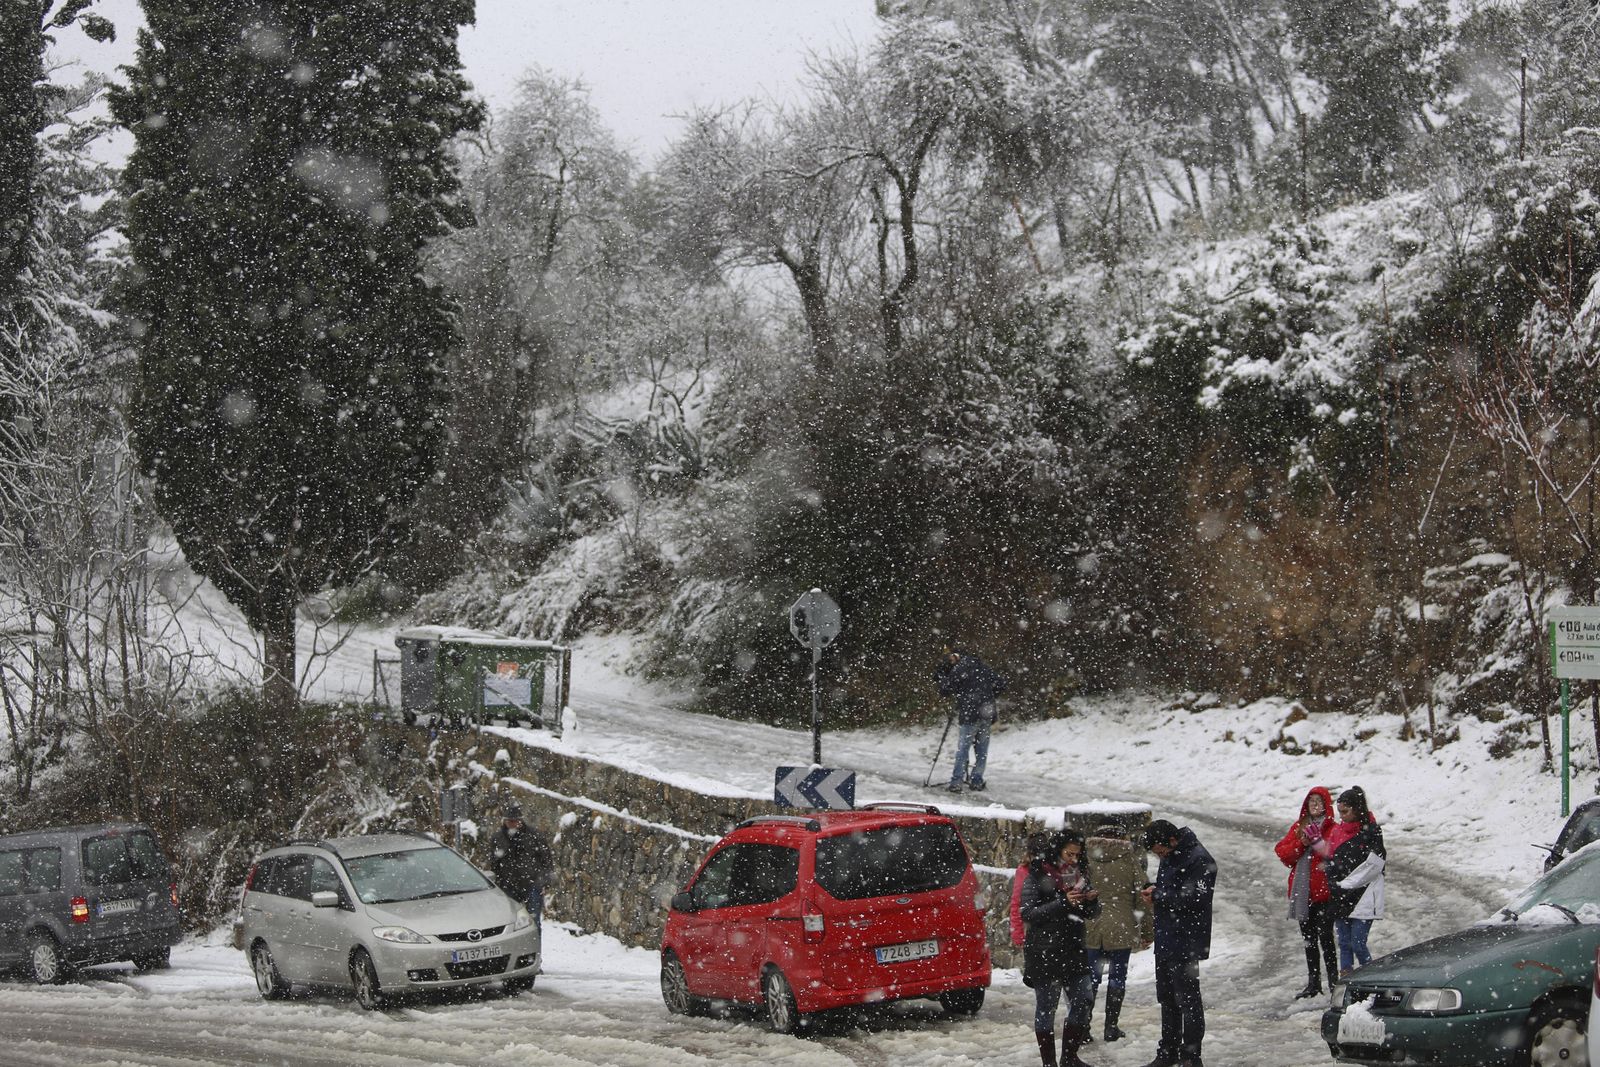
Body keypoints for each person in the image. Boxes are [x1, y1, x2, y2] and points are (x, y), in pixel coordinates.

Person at [1020, 830, 1101, 1067]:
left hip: (1074, 948)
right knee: (1047, 1006)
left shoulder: (1081, 874)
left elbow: (1093, 913)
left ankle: (1069, 1056)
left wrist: (1090, 902)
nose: (1073, 859)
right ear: (1057, 851)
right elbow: (1028, 913)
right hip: (1045, 950)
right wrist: (1063, 903)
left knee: (1084, 999)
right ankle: (1049, 1063)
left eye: (1077, 854)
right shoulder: (1037, 874)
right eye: (1069, 853)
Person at [1140, 819, 1217, 1067]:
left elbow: (1196, 898)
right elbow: (1174, 890)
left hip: (1187, 938)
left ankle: (1191, 1056)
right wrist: (1155, 890)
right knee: (1167, 997)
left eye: (1160, 851)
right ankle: (1168, 1051)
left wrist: (1159, 895)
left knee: (1187, 999)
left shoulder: (1199, 859)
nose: (1160, 856)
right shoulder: (1173, 855)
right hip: (1167, 935)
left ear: (1172, 841)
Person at [1084, 822, 1153, 1042]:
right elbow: (1143, 897)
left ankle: (1083, 1027)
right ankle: (1110, 1027)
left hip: (1091, 926)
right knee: (1117, 978)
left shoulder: (1085, 857)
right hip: (1121, 926)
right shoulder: (1129, 858)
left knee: (1090, 980)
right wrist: (1147, 931)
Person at [1274, 786, 1338, 999]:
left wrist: (1319, 844)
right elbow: (1283, 853)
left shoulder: (1333, 829)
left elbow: (1335, 855)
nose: (1315, 806)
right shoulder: (1299, 827)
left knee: (1326, 939)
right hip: (1303, 894)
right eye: (1312, 802)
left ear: (1326, 805)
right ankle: (1314, 982)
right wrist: (1301, 844)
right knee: (1309, 940)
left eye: (1319, 802)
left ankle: (1334, 981)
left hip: (1324, 894)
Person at [1322, 786, 1386, 978]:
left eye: (1346, 811)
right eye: (1339, 812)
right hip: (1341, 895)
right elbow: (1329, 859)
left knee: (1358, 943)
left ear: (1357, 809)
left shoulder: (1372, 832)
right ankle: (1347, 982)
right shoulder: (1337, 832)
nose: (1342, 817)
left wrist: (1345, 884)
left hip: (1364, 895)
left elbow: (1375, 865)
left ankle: (1371, 980)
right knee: (1344, 944)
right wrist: (1334, 882)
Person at [933, 647, 1006, 793]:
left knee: (963, 749)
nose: (951, 660)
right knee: (982, 750)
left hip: (970, 714)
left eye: (952, 657)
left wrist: (942, 676)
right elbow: (1001, 684)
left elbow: (945, 690)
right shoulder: (984, 668)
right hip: (986, 712)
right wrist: (988, 696)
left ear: (958, 656)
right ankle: (977, 780)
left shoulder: (960, 669)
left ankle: (956, 782)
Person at [488, 803, 555, 931]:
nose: (512, 824)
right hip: (508, 885)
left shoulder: (535, 836)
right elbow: (494, 863)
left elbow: (546, 859)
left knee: (533, 922)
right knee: (510, 922)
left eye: (514, 821)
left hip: (532, 884)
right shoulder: (498, 838)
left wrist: (545, 883)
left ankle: (535, 949)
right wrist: (497, 884)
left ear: (520, 821)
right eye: (509, 821)